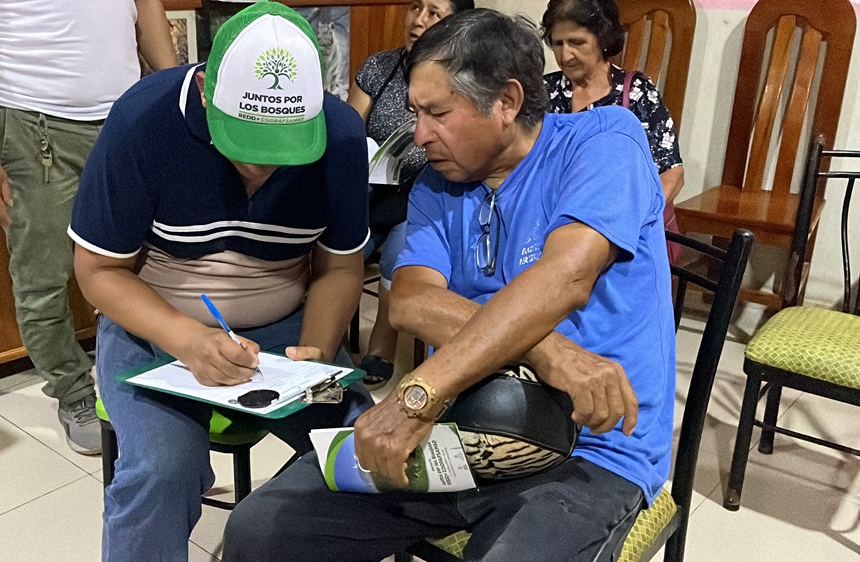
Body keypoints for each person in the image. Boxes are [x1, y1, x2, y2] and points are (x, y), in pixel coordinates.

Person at [223, 9, 676, 562]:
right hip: (458, 432)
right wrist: (545, 348)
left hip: (591, 451)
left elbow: (565, 277)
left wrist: (418, 393)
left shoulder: (604, 141)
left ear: (506, 102)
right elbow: (410, 300)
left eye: (437, 112)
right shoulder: (438, 184)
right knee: (260, 529)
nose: (419, 135)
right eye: (416, 112)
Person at [69, 2, 373, 560]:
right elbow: (98, 271)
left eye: (281, 152)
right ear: (207, 90)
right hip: (154, 327)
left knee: (366, 450)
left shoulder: (342, 135)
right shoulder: (145, 120)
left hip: (286, 327)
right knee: (160, 471)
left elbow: (340, 265)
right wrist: (187, 339)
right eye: (244, 145)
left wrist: (319, 349)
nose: (260, 169)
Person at [0, 0, 177, 454]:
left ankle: (150, 374)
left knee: (151, 256)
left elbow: (146, 8)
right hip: (28, 124)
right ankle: (74, 392)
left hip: (126, 115)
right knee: (43, 273)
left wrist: (172, 89)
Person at [346, 0, 474, 390]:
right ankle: (326, 341)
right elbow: (350, 130)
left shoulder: (464, 79)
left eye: (434, 13)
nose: (419, 20)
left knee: (402, 249)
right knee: (338, 245)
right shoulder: (380, 67)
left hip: (426, 198)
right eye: (416, 7)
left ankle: (382, 344)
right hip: (369, 192)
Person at [542, 0, 685, 260]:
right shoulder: (543, 92)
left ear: (602, 38)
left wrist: (634, 221)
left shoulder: (636, 92)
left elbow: (672, 173)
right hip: (554, 227)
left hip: (624, 233)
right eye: (557, 43)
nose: (565, 55)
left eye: (577, 42)